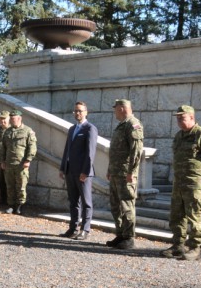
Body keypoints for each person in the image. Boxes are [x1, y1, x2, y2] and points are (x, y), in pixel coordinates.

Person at [162, 105, 201, 261]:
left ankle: (195, 248)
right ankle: (177, 246)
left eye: (183, 118)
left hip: (195, 183)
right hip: (179, 182)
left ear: (192, 118)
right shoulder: (179, 136)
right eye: (178, 119)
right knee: (177, 216)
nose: (179, 121)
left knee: (194, 215)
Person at [106, 99, 144, 250]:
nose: (114, 111)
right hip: (116, 173)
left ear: (122, 108)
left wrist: (132, 172)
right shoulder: (122, 125)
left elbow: (136, 151)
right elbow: (115, 151)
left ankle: (129, 237)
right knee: (116, 205)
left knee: (127, 205)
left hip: (125, 174)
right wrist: (110, 169)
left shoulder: (133, 124)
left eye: (116, 108)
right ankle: (121, 234)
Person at [59, 101, 98, 240]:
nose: (77, 113)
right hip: (70, 171)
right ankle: (73, 228)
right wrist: (63, 167)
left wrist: (85, 172)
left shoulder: (90, 129)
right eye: (75, 111)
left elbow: (90, 153)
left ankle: (85, 230)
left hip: (83, 173)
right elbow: (67, 150)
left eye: (80, 111)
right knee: (73, 201)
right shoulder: (72, 129)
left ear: (86, 112)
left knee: (86, 202)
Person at [0, 110, 36, 215]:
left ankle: (20, 206)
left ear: (19, 118)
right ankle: (10, 205)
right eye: (10, 118)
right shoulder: (8, 131)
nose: (11, 120)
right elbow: (3, 148)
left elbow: (32, 147)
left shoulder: (28, 131)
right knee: (9, 185)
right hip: (9, 163)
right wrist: (2, 161)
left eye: (13, 119)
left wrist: (28, 160)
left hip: (21, 164)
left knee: (21, 186)